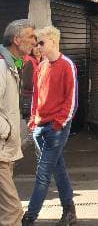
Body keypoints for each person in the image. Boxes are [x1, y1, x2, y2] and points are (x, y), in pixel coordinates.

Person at [22, 26, 78, 226]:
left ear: (53, 41)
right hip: (40, 126)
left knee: (44, 172)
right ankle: (69, 210)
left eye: (42, 42)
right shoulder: (41, 67)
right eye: (37, 43)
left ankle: (30, 216)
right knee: (56, 168)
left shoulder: (67, 65)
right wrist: (33, 119)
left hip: (56, 127)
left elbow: (71, 99)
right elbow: (37, 96)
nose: (38, 46)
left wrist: (58, 123)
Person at [0, 19, 36, 226]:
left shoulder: (14, 65)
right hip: (1, 150)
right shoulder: (2, 66)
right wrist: (6, 130)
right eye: (30, 36)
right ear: (16, 39)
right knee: (13, 212)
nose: (34, 41)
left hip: (6, 150)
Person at [21, 44, 42, 120]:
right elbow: (27, 84)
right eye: (35, 46)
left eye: (39, 46)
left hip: (37, 98)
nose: (37, 49)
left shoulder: (42, 62)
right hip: (29, 99)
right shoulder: (29, 62)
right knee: (31, 125)